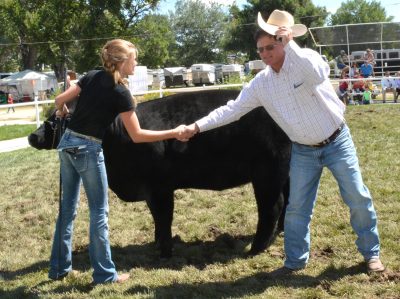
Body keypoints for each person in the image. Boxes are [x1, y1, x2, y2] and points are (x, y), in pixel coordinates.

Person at [184, 9, 385, 274]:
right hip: (303, 150)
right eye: (260, 49)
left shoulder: (307, 59)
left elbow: (318, 74)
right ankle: (294, 261)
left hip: (337, 142)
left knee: (357, 197)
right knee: (296, 208)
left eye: (271, 46)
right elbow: (232, 109)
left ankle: (371, 254)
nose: (265, 54)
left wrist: (292, 45)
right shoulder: (261, 84)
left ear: (284, 42)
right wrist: (198, 125)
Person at [49, 39, 192, 285]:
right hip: (89, 149)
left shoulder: (91, 76)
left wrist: (63, 112)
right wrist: (173, 132)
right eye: (134, 58)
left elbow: (58, 99)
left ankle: (60, 269)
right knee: (99, 213)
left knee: (67, 211)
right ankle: (105, 275)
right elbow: (137, 135)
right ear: (123, 61)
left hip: (67, 145)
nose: (136, 62)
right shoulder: (121, 93)